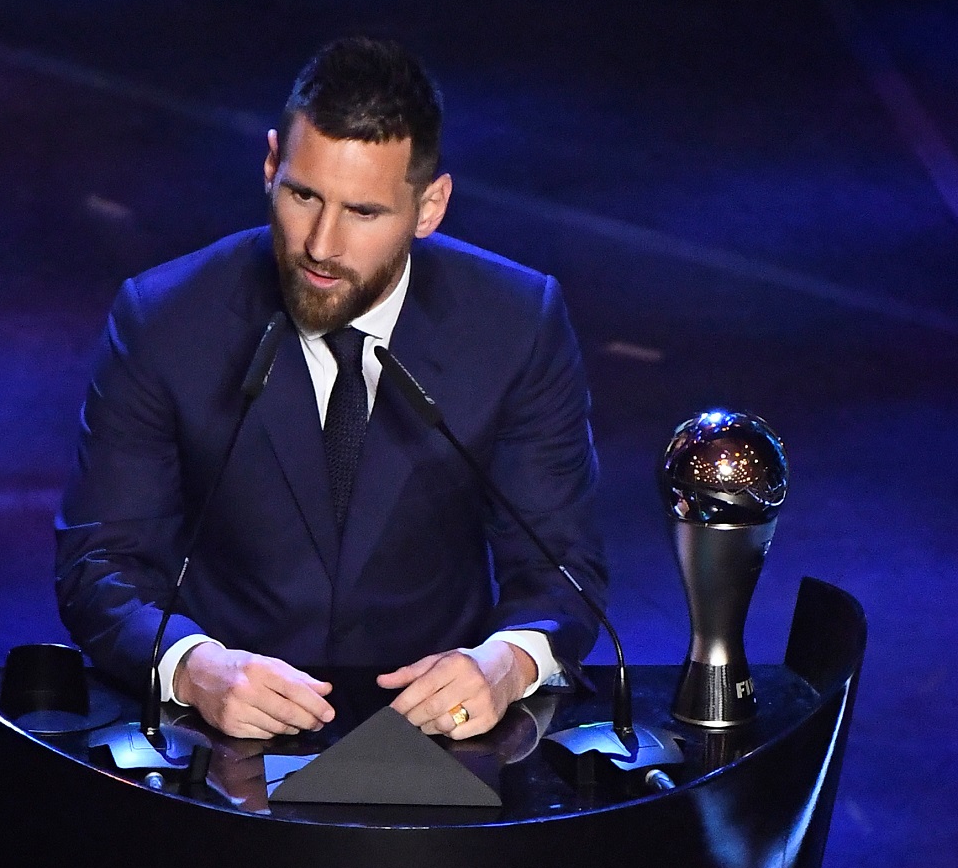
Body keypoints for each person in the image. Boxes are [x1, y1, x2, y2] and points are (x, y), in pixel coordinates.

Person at [56, 37, 606, 741]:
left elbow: (563, 566)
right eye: (303, 195)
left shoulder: (517, 322)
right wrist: (194, 668)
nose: (321, 243)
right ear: (269, 166)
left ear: (430, 207)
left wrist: (505, 664)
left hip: (435, 743)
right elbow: (99, 563)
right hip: (222, 737)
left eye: (364, 213)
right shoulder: (164, 318)